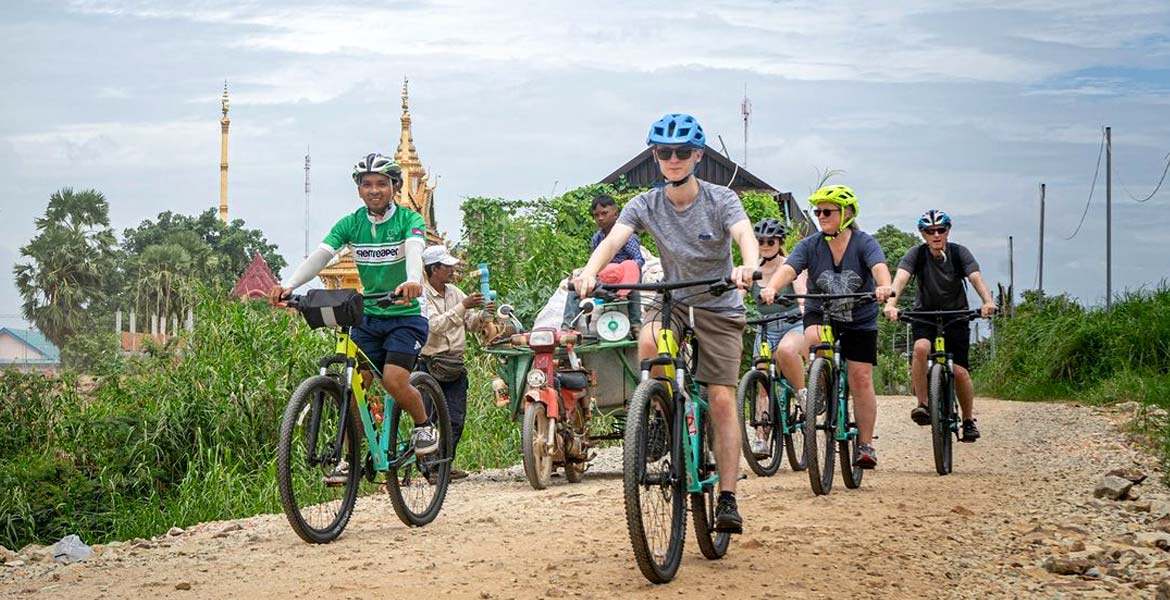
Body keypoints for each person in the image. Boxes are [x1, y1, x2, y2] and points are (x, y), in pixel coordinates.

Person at [573, 113, 759, 533]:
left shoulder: (721, 199)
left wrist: (748, 267)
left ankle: (727, 496)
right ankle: (659, 412)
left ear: (696, 155)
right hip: (672, 296)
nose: (672, 159)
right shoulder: (644, 204)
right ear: (655, 157)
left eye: (680, 152)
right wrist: (589, 272)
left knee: (722, 399)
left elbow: (744, 234)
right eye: (663, 152)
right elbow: (615, 240)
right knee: (648, 342)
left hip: (718, 302)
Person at [269, 153, 438, 485]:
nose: (374, 190)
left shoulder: (408, 220)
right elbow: (322, 254)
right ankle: (351, 458)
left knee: (393, 380)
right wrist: (288, 285)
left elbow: (416, 247)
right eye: (366, 185)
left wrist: (413, 280)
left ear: (394, 187)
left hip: (406, 316)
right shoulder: (352, 223)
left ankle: (423, 425)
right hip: (369, 315)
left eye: (381, 184)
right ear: (359, 190)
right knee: (353, 385)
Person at [760, 184, 893, 469]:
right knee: (812, 337)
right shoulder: (811, 245)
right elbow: (790, 268)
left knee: (861, 378)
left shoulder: (864, 242)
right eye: (817, 211)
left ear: (846, 214)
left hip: (860, 317)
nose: (820, 216)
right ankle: (819, 386)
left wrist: (884, 287)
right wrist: (772, 286)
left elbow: (879, 266)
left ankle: (866, 445)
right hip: (821, 312)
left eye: (827, 211)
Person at [883, 209, 997, 441]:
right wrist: (891, 304)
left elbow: (975, 277)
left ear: (948, 231)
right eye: (930, 231)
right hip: (925, 314)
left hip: (956, 315)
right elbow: (901, 279)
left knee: (960, 371)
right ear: (922, 234)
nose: (936, 235)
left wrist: (987, 301)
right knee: (921, 349)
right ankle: (923, 404)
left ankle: (967, 420)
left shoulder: (959, 253)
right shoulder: (916, 254)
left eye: (940, 230)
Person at [420, 245, 488, 479]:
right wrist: (463, 307)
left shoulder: (455, 292)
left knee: (455, 419)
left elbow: (469, 323)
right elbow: (434, 325)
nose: (451, 269)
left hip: (454, 364)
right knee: (428, 420)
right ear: (434, 269)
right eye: (446, 266)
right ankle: (429, 468)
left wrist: (484, 315)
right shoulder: (422, 295)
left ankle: (443, 464)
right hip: (430, 363)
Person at [745, 218, 807, 458]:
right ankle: (761, 438)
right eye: (760, 241)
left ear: (779, 242)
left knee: (786, 351)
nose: (765, 245)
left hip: (792, 322)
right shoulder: (752, 268)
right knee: (762, 383)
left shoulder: (789, 265)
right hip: (764, 326)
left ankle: (802, 395)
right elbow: (737, 295)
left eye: (770, 241)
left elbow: (801, 290)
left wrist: (802, 306)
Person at [562, 194, 644, 334]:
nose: (600, 218)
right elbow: (595, 261)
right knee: (574, 290)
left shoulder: (628, 237)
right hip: (604, 280)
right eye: (596, 215)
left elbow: (638, 260)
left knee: (634, 287)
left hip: (623, 280)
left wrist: (623, 270)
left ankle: (636, 324)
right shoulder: (597, 238)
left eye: (604, 213)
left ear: (616, 214)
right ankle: (567, 326)